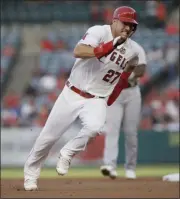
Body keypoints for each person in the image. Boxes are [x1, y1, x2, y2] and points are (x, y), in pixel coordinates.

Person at [24, 6, 140, 191]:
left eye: (132, 25)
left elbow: (124, 78)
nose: (128, 28)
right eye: (125, 23)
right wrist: (111, 45)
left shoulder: (132, 51)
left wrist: (110, 99)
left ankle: (67, 153)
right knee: (47, 138)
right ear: (115, 21)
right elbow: (78, 51)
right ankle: (30, 176)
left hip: (97, 98)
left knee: (95, 127)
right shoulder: (99, 31)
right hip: (72, 92)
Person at [100, 43, 147, 179]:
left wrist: (126, 74)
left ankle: (130, 167)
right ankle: (110, 165)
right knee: (111, 130)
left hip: (131, 91)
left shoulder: (136, 48)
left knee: (131, 132)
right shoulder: (110, 46)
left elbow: (142, 69)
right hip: (113, 92)